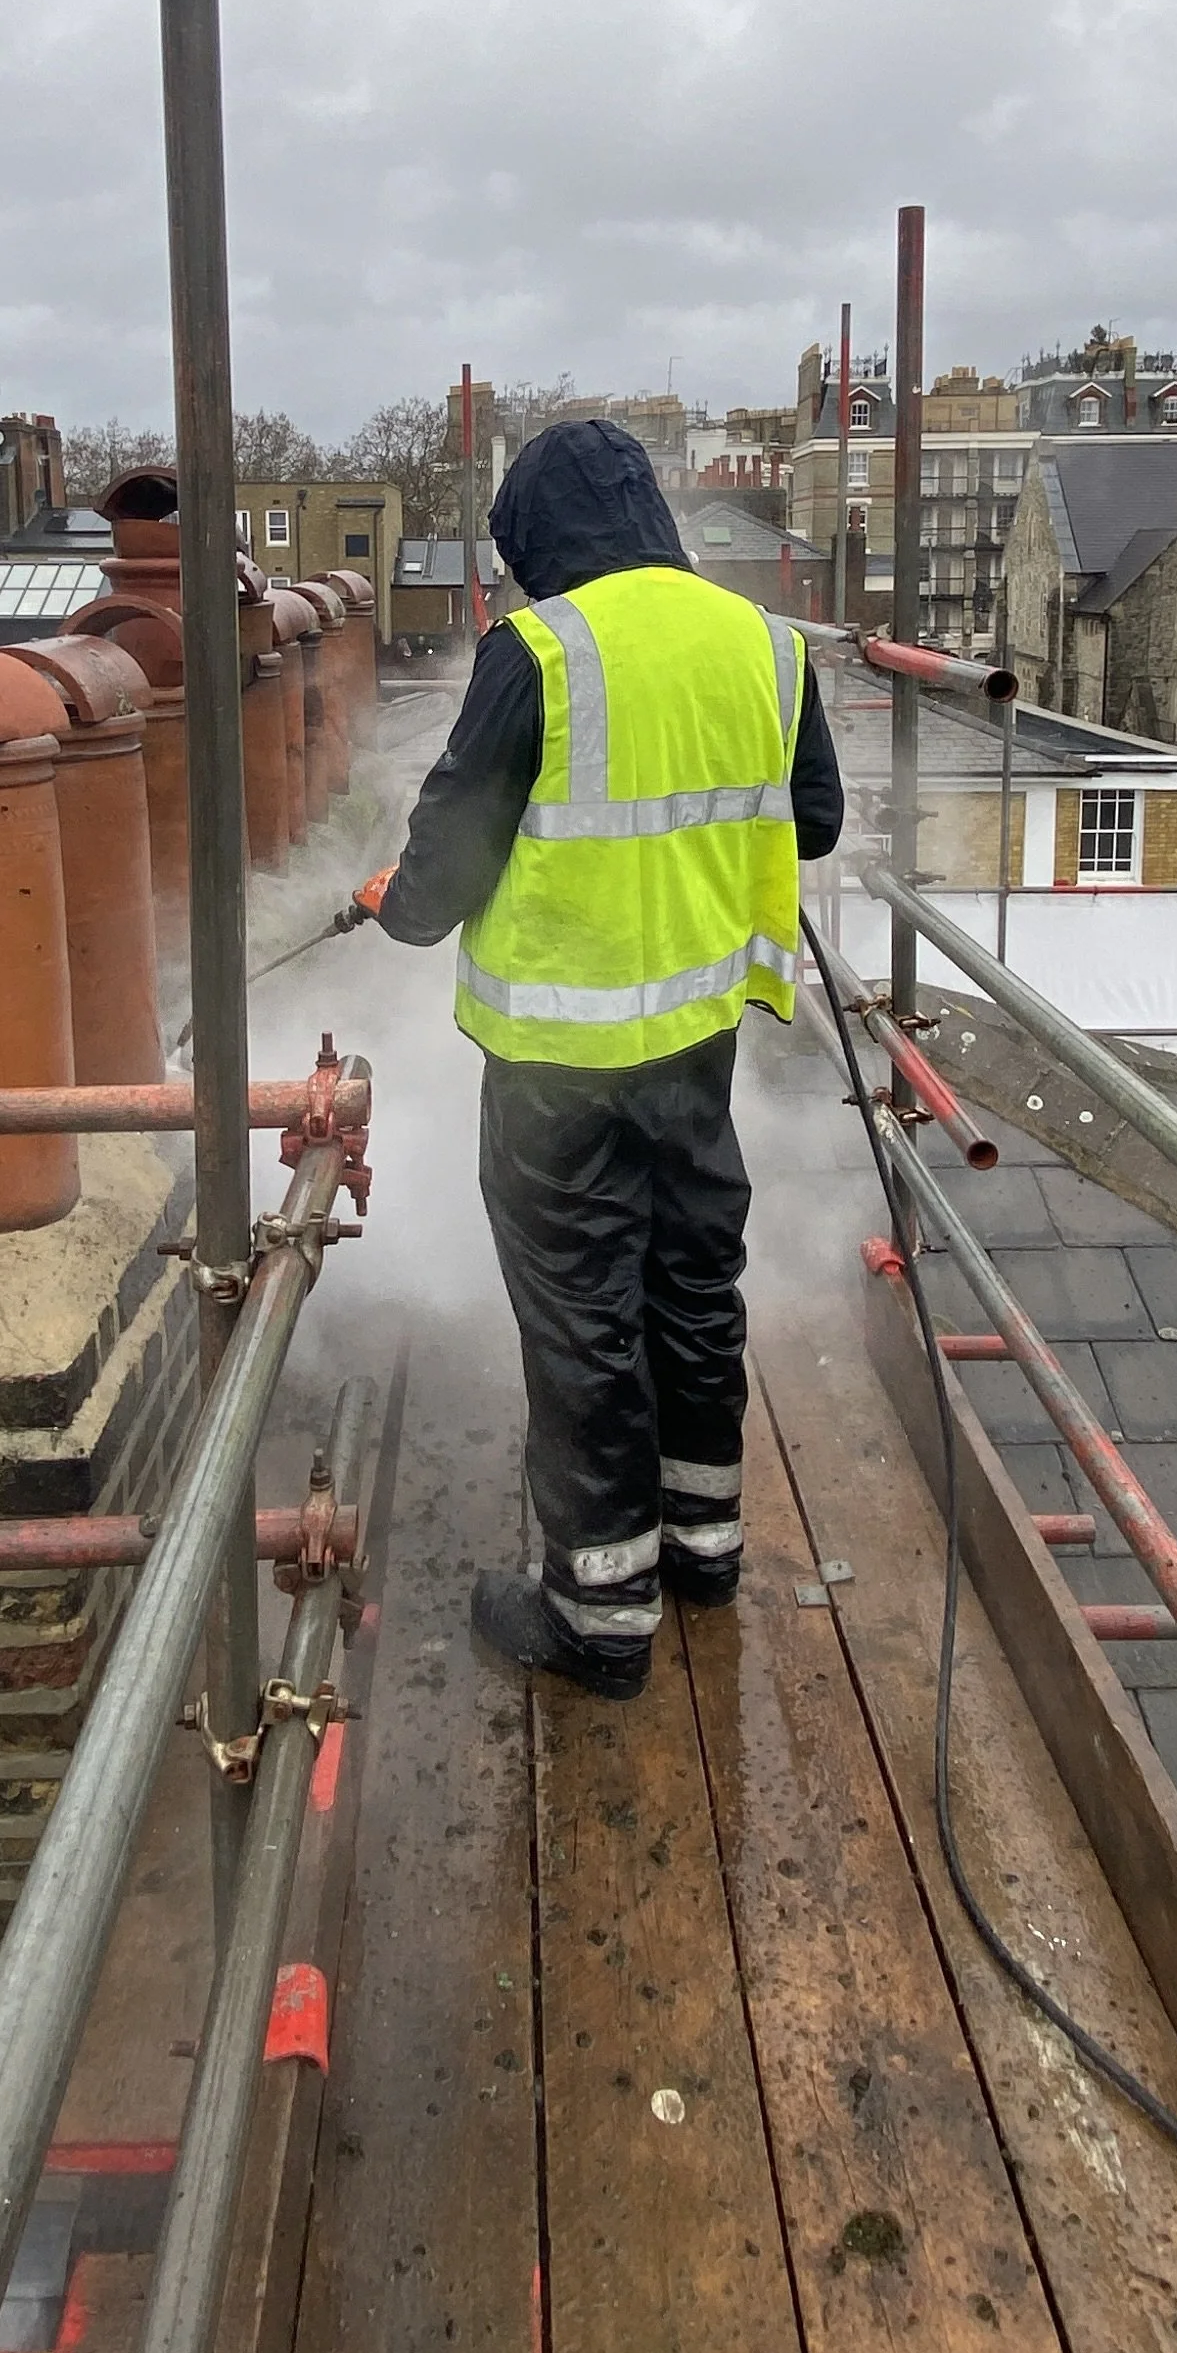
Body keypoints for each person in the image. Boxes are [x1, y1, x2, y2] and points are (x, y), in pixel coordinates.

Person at [356, 417, 845, 1698]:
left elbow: (448, 864)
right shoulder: (767, 645)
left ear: (542, 542)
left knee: (583, 1318)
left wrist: (393, 902)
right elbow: (819, 821)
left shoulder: (541, 649)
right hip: (697, 1044)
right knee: (692, 1286)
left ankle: (601, 1614)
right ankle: (704, 1547)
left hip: (556, 1067)